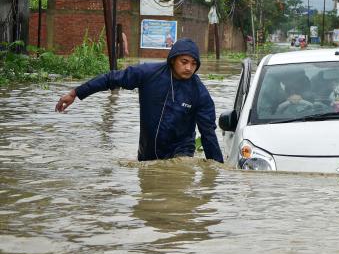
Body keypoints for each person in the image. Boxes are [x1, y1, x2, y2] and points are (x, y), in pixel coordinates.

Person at [55, 38, 224, 163]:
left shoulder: (199, 93)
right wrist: (76, 93)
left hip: (181, 153)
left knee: (176, 191)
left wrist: (217, 171)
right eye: (184, 62)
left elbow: (208, 133)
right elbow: (111, 79)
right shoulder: (149, 74)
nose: (189, 68)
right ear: (173, 60)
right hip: (147, 153)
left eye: (194, 64)